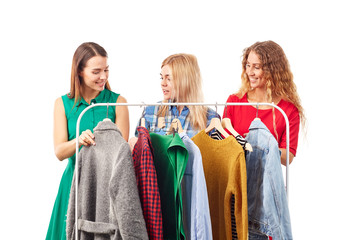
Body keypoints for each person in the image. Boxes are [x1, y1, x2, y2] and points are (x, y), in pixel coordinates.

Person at [46, 42, 129, 239]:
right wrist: (79, 141)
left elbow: (122, 154)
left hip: (104, 190)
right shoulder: (62, 103)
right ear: (80, 72)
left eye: (106, 70)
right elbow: (59, 152)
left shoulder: (118, 102)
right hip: (72, 185)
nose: (103, 77)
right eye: (96, 71)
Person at [223, 40, 305, 165]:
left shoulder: (288, 111)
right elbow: (224, 146)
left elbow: (288, 157)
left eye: (256, 67)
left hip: (267, 180)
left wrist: (261, 145)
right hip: (236, 178)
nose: (250, 72)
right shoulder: (235, 102)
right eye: (248, 65)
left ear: (273, 71)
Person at [129, 53, 219, 148]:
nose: (163, 83)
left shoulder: (210, 118)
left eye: (169, 79)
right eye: (162, 78)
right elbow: (139, 155)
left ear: (185, 81)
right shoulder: (149, 112)